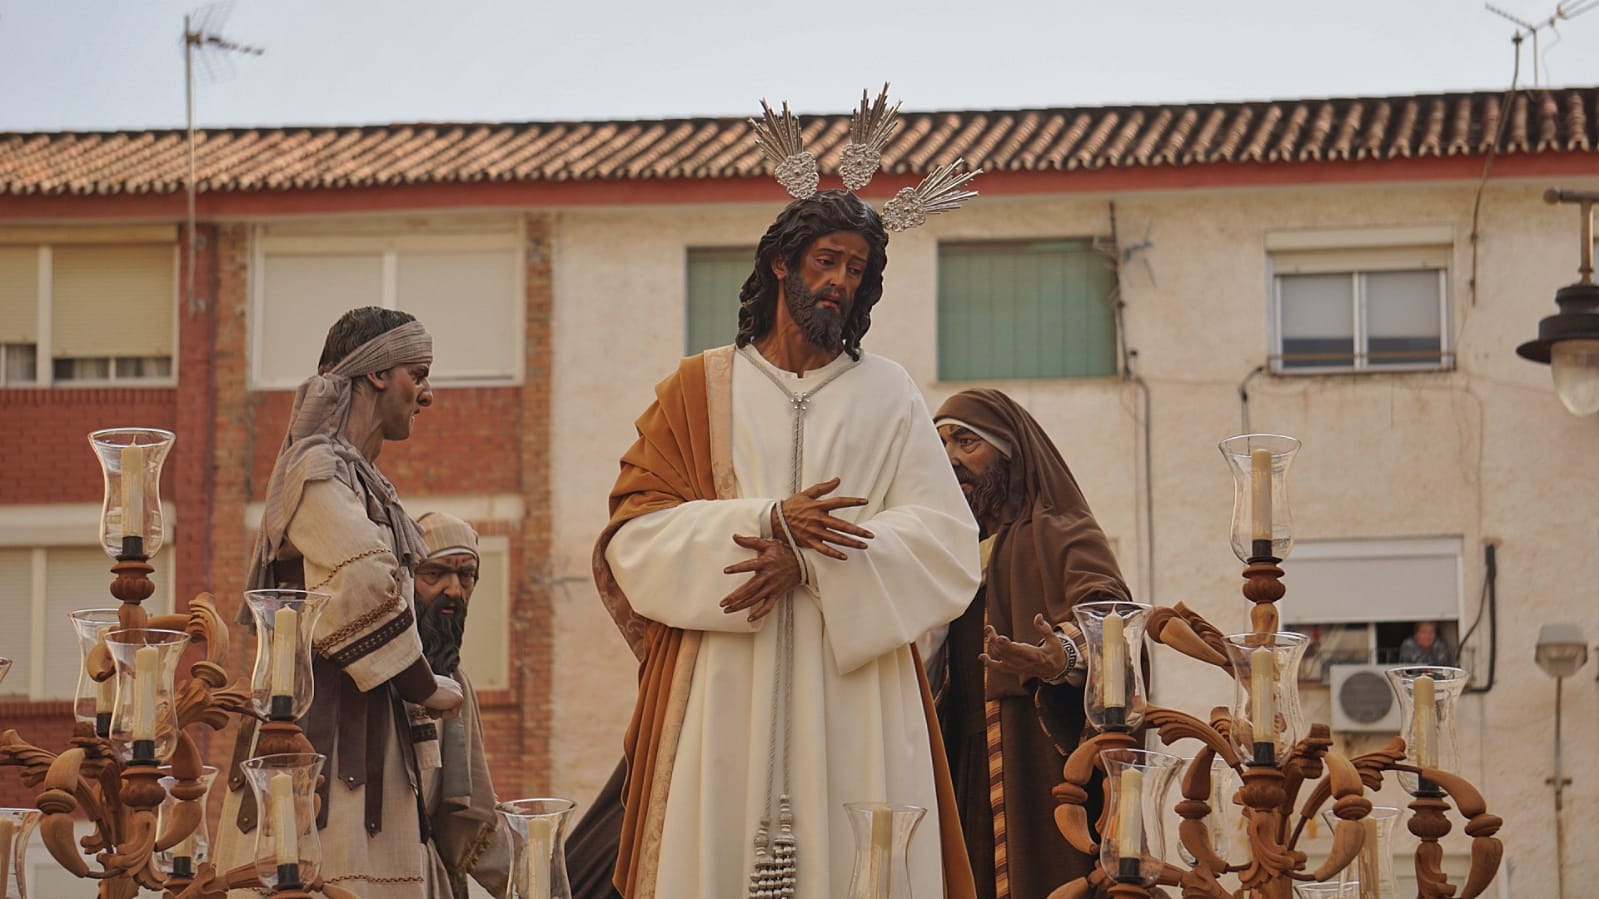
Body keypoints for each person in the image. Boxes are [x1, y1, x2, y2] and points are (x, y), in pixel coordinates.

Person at [592, 189, 981, 898]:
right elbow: (635, 533)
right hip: (722, 677)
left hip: (854, 684)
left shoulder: (888, 391)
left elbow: (946, 543)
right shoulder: (697, 386)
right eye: (825, 260)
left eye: (856, 269)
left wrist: (809, 562)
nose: (839, 281)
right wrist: (767, 521)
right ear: (780, 263)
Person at [216, 307, 464, 898]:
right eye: (418, 373)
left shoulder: (361, 479)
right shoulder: (316, 471)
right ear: (377, 375)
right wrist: (422, 686)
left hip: (367, 739)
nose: (426, 394)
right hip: (317, 742)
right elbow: (363, 580)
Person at [932, 388, 1132, 899]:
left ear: (1009, 452)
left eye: (967, 441)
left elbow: (1112, 619)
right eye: (939, 445)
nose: (951, 458)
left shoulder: (1060, 530)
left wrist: (1059, 656)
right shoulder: (947, 554)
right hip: (962, 759)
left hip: (1036, 750)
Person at [413, 512, 513, 898]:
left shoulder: (456, 682)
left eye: (465, 576)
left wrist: (536, 879)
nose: (454, 590)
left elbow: (469, 818)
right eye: (434, 574)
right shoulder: (377, 674)